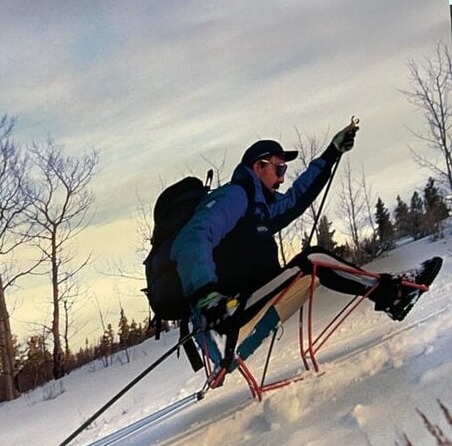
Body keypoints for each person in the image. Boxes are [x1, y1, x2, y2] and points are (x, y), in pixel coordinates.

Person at [170, 124, 443, 342]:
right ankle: (393, 294)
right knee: (313, 259)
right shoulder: (235, 196)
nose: (282, 177)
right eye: (279, 168)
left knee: (313, 259)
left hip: (248, 298)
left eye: (284, 170)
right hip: (231, 308)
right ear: (258, 166)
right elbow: (191, 238)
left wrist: (331, 154)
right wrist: (206, 294)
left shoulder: (259, 207)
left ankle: (392, 293)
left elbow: (295, 199)